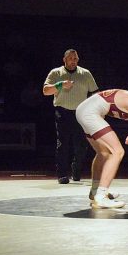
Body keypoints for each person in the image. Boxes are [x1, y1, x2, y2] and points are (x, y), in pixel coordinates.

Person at [76, 89, 128, 208]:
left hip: (84, 110)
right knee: (117, 152)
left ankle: (95, 191)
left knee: (103, 153)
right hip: (89, 113)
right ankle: (101, 197)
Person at [43, 49, 99, 184]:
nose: (73, 61)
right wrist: (61, 85)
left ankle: (76, 168)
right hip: (62, 111)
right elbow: (45, 91)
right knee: (63, 144)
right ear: (65, 59)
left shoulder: (85, 73)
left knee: (81, 146)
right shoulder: (56, 73)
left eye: (75, 59)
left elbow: (95, 93)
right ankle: (62, 174)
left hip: (81, 112)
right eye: (71, 58)